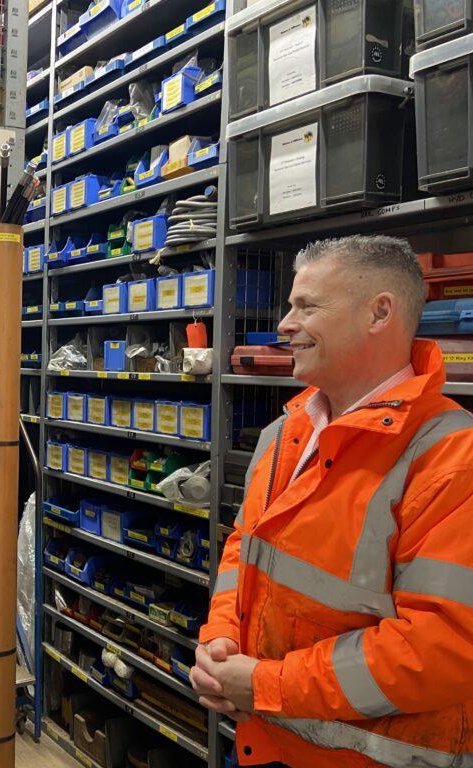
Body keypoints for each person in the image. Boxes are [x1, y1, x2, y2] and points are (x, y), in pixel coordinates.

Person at [191, 235, 473, 768]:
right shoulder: (285, 434)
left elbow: (441, 648)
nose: (284, 325)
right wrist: (221, 641)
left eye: (307, 306)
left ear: (379, 313)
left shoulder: (451, 457)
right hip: (263, 739)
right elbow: (242, 553)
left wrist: (266, 683)